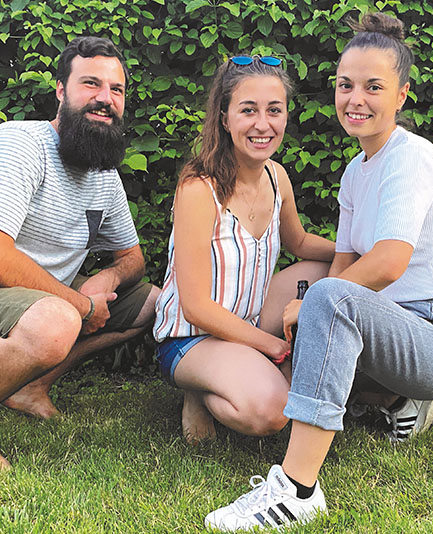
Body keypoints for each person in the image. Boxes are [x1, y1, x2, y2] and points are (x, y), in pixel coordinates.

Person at [204, 13, 433, 531]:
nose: (356, 98)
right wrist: (307, 311)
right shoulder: (356, 170)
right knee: (321, 286)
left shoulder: (411, 158)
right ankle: (389, 398)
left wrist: (316, 300)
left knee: (325, 295)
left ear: (402, 95)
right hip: (391, 326)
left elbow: (390, 261)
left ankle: (298, 490)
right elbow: (347, 261)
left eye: (374, 87)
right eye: (345, 85)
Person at [0, 36, 160, 472]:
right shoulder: (18, 145)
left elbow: (133, 258)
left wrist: (109, 279)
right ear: (60, 91)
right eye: (91, 84)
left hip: (33, 302)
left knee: (156, 301)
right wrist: (80, 303)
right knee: (56, 320)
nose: (105, 99)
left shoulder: (103, 173)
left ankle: (31, 386)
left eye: (116, 90)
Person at [152, 55, 334, 444]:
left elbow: (299, 243)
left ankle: (243, 370)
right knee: (271, 411)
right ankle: (198, 389)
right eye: (248, 110)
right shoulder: (199, 190)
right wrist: (272, 346)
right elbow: (195, 307)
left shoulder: (276, 175)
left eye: (274, 110)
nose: (262, 125)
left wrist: (357, 254)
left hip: (248, 320)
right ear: (224, 117)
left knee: (329, 275)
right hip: (191, 336)